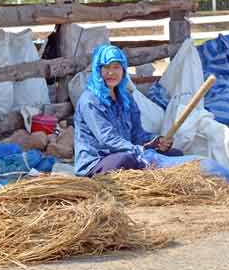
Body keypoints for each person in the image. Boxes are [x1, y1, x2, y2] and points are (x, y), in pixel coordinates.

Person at [74, 44, 183, 177]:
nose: (111, 73)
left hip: (128, 153)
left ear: (123, 70)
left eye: (116, 67)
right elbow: (107, 139)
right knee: (126, 159)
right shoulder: (90, 100)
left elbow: (137, 134)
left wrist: (156, 142)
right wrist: (139, 150)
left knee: (175, 154)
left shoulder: (126, 98)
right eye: (106, 67)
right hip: (97, 161)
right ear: (98, 70)